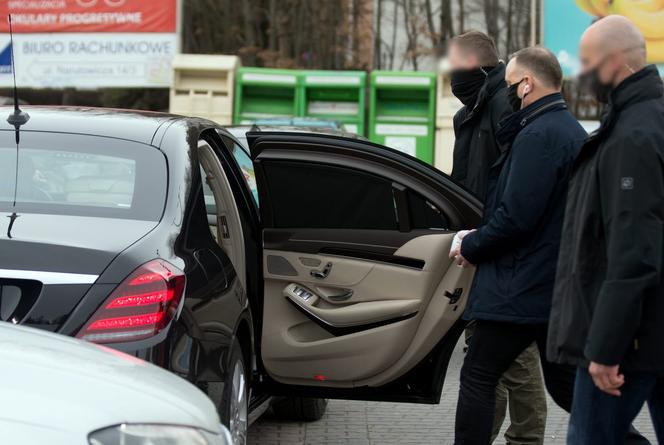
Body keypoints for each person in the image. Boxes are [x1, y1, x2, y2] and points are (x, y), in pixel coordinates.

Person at [449, 46, 587, 444]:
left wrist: (472, 245)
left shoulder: (539, 135)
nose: (508, 91)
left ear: (527, 84)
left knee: (477, 374)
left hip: (520, 284)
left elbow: (516, 216)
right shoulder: (566, 130)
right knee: (566, 388)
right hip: (546, 284)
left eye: (510, 83)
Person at [547, 15, 664, 444]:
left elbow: (633, 250)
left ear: (614, 61)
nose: (582, 73)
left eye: (587, 62)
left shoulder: (631, 137)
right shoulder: (647, 122)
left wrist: (605, 347)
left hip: (629, 340)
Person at [448, 31, 547, 445]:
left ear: (476, 64)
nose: (452, 74)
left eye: (456, 64)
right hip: (481, 245)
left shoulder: (503, 103)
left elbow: (514, 187)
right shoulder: (469, 113)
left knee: (514, 358)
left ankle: (525, 439)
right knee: (484, 357)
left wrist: (489, 236)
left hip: (503, 248)